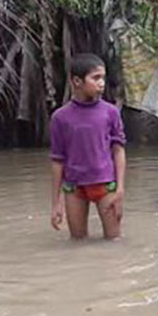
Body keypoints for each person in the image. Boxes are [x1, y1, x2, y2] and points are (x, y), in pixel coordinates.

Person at [49, 53, 127, 240]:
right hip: (74, 188)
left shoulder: (111, 112)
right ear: (77, 81)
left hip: (106, 184)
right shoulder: (60, 117)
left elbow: (118, 150)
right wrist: (56, 203)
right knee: (77, 242)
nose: (101, 83)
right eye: (96, 78)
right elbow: (57, 161)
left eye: (103, 78)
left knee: (114, 241)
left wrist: (120, 189)